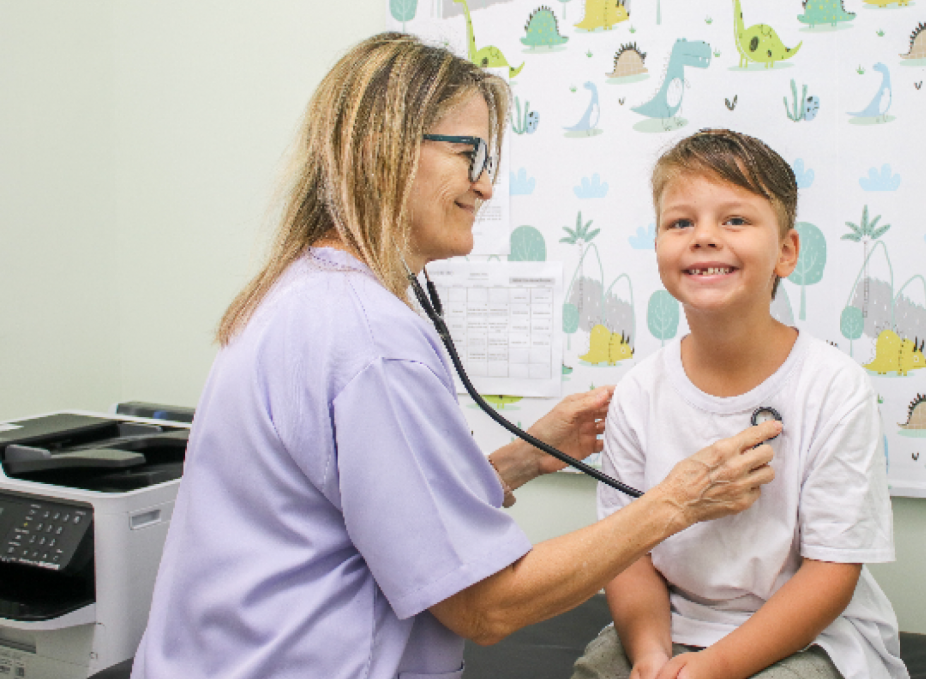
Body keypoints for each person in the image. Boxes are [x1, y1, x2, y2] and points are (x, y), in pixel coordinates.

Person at [131, 35, 782, 679]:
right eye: (469, 153)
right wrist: (678, 501)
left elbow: (382, 510)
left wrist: (524, 457)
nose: (485, 185)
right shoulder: (372, 343)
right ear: (379, 153)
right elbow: (485, 606)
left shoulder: (305, 294)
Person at [570, 130, 907, 679]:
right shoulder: (638, 391)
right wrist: (652, 655)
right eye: (681, 223)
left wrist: (716, 667)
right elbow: (627, 553)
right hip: (674, 619)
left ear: (786, 252)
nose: (704, 237)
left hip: (812, 635)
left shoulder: (834, 387)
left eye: (734, 220)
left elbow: (831, 573)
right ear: (657, 247)